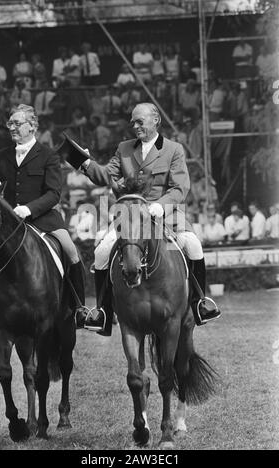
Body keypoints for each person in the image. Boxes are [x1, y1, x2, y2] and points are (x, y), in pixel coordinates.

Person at [59, 102, 221, 335]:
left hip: (166, 215)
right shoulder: (124, 148)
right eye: (133, 122)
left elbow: (180, 188)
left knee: (193, 245)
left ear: (156, 120)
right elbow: (105, 175)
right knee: (102, 251)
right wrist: (82, 161)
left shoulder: (173, 149)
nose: (135, 126)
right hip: (130, 215)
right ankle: (103, 313)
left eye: (139, 121)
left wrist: (160, 206)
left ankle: (200, 303)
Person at [0, 104, 89, 335]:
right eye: (10, 123)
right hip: (8, 226)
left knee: (71, 250)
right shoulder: (2, 157)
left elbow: (53, 194)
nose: (12, 128)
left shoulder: (49, 156)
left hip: (43, 220)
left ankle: (80, 309)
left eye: (17, 123)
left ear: (32, 126)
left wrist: (28, 209)